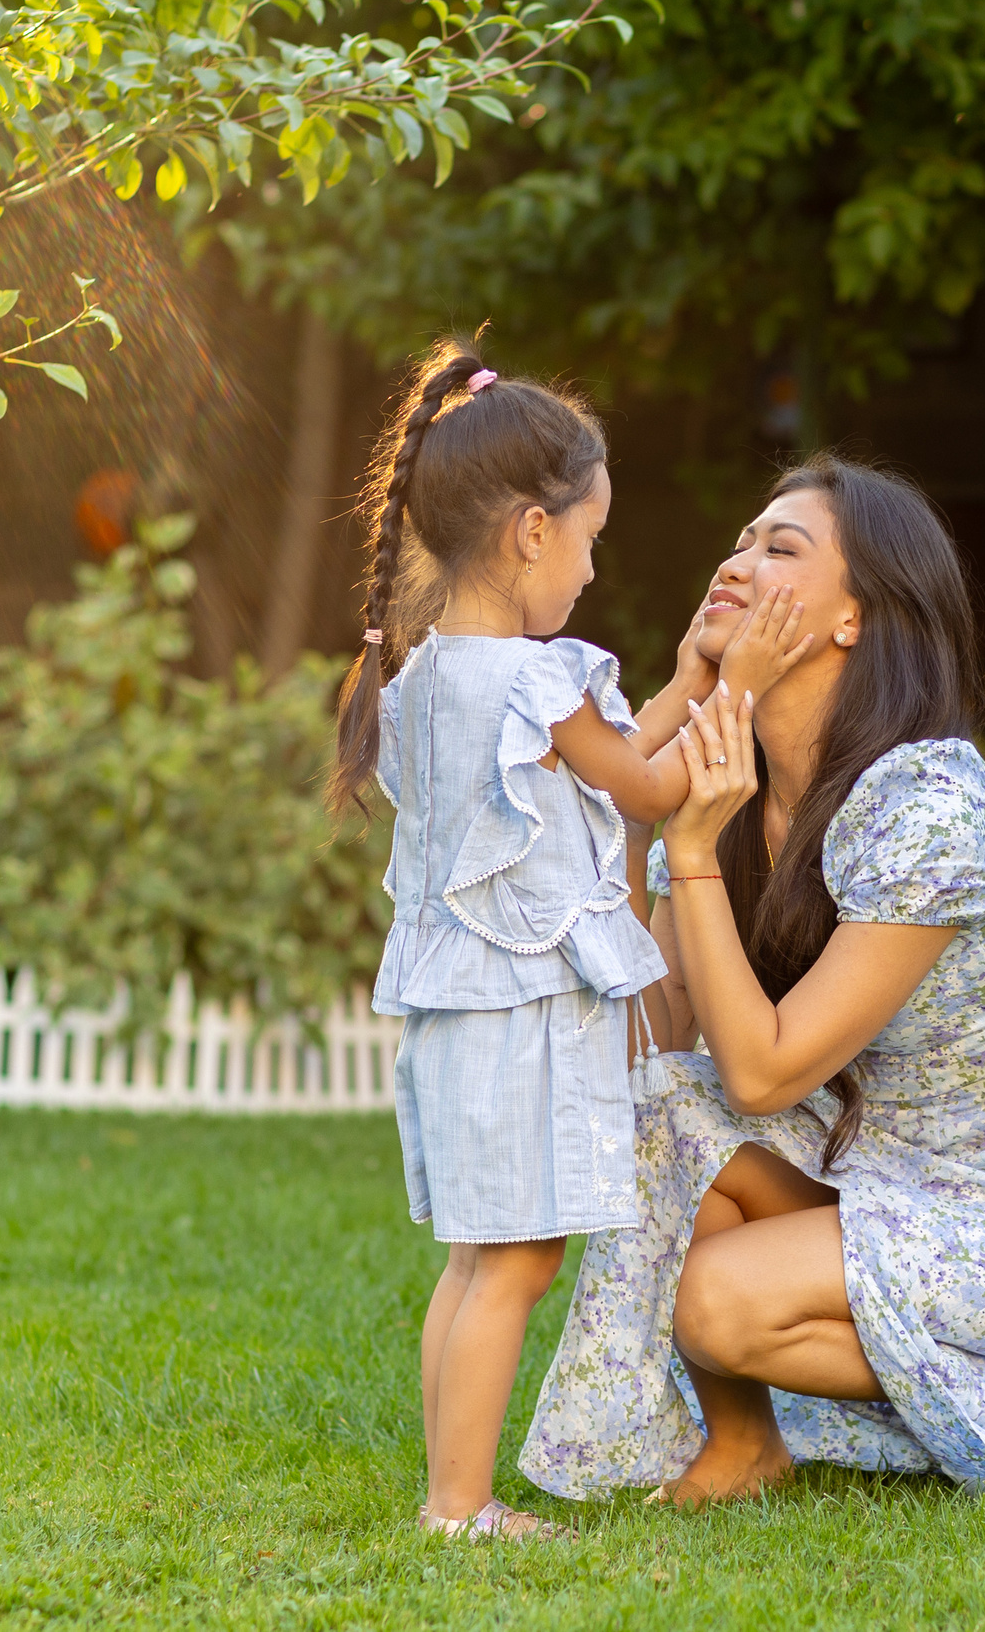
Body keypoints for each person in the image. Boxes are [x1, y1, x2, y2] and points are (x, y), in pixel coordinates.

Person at [519, 454, 985, 1501]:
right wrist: (651, 836)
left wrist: (684, 849)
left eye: (781, 548)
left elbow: (764, 1080)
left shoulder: (929, 806)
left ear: (855, 620)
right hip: (880, 1168)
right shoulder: (737, 793)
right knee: (664, 1107)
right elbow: (675, 1042)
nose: (736, 561)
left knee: (717, 1304)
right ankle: (744, 1443)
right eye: (739, 539)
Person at [327, 343, 812, 1540]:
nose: (594, 569)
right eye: (590, 541)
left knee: (476, 1260)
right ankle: (462, 1507)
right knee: (519, 1262)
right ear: (530, 534)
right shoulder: (541, 685)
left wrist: (695, 676)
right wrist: (738, 686)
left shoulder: (430, 676)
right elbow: (647, 794)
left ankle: (450, 1498)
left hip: (457, 1015)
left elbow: (603, 769)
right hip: (525, 1017)